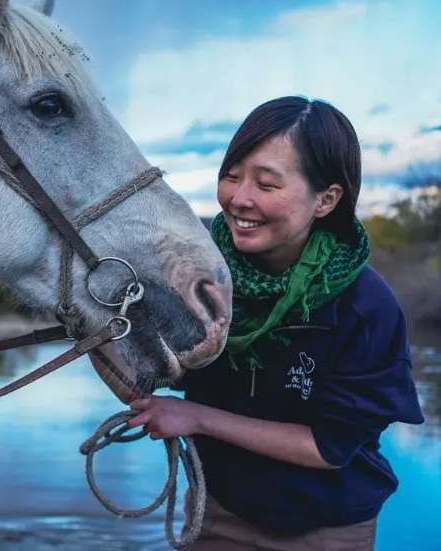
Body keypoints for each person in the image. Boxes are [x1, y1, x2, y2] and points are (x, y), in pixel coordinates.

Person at [127, 96, 425, 551]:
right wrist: (91, 317)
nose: (239, 198)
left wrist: (197, 417)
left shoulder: (365, 307)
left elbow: (330, 448)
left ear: (326, 199)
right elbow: (148, 376)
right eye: (232, 176)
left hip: (327, 529)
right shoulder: (201, 278)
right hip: (216, 512)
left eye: (266, 184)